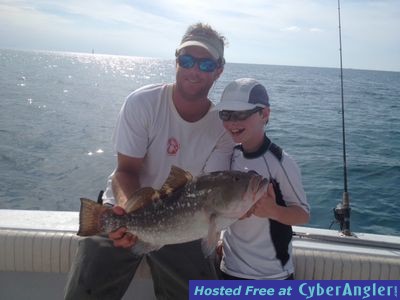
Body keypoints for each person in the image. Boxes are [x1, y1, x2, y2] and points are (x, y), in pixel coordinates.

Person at [64, 23, 234, 300]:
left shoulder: (222, 128)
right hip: (124, 207)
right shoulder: (142, 103)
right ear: (176, 61)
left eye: (205, 64)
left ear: (219, 70)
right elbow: (126, 171)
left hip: (182, 223)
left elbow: (212, 194)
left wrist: (219, 233)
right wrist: (127, 217)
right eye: (187, 60)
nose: (194, 70)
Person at [213, 78, 310, 280]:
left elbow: (302, 215)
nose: (231, 122)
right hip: (229, 268)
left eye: (240, 114)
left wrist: (273, 211)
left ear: (264, 114)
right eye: (225, 114)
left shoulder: (281, 163)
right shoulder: (229, 154)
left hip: (272, 276)